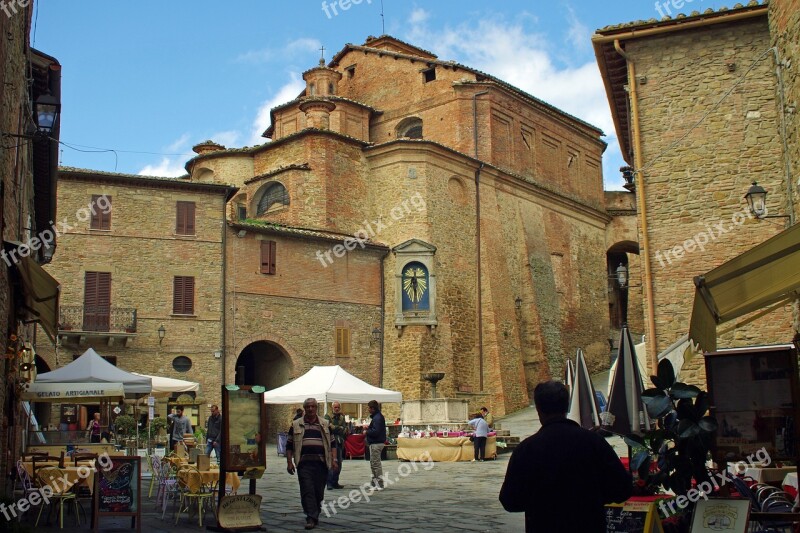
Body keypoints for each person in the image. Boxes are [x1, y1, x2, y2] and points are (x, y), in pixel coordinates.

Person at [499, 381, 632, 532]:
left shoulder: (526, 449)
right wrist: (593, 497)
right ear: (566, 405)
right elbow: (623, 488)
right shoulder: (594, 443)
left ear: (538, 410)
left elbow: (510, 500)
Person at [286, 398, 338, 530]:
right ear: (304, 408)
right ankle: (311, 517)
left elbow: (332, 443)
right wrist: (289, 462)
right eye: (307, 407)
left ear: (316, 408)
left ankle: (315, 513)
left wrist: (334, 460)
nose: (310, 409)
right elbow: (289, 444)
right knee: (307, 490)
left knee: (318, 491)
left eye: (312, 407)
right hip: (304, 464)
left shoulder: (325, 424)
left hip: (321, 463)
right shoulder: (296, 424)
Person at [324, 401, 348, 490]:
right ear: (332, 407)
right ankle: (329, 483)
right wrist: (338, 428)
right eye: (335, 407)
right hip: (331, 442)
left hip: (340, 442)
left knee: (339, 463)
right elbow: (329, 427)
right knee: (331, 462)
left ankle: (335, 482)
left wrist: (337, 428)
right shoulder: (328, 416)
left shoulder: (342, 417)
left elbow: (345, 429)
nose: (337, 409)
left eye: (338, 407)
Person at [363, 399, 386, 489]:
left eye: (369, 408)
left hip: (376, 443)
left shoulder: (377, 418)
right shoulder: (377, 417)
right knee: (373, 463)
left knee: (376, 464)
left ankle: (379, 483)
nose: (368, 410)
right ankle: (374, 482)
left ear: (373, 408)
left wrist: (367, 431)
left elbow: (376, 431)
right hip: (375, 443)